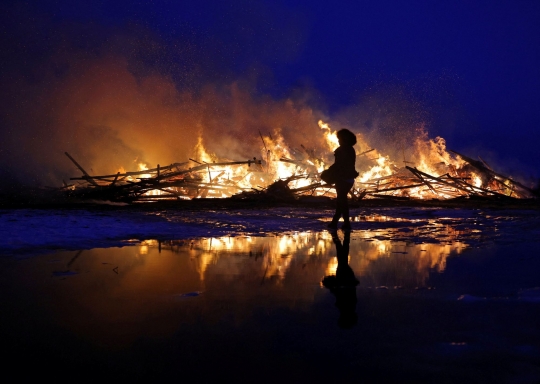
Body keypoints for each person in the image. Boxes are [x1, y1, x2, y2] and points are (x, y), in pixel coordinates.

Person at [327, 128, 358, 230]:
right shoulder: (351, 149)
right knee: (341, 200)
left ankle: (344, 223)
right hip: (349, 179)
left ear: (344, 139)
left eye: (340, 139)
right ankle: (337, 222)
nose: (338, 141)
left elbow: (339, 165)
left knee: (342, 201)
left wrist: (328, 172)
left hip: (342, 179)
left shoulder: (342, 150)